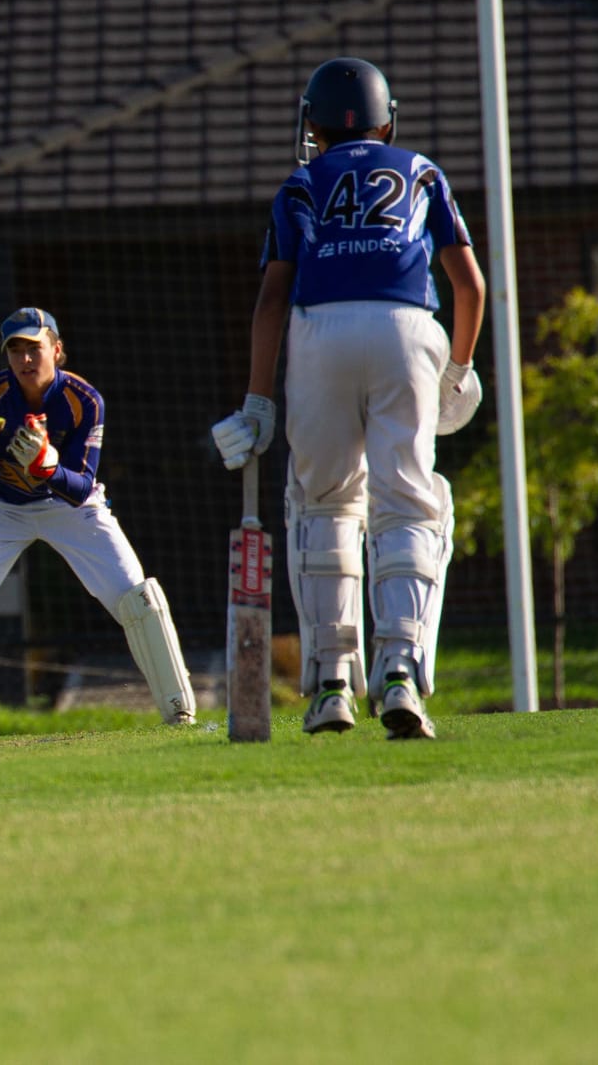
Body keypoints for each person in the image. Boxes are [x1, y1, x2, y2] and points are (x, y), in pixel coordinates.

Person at [212, 56, 485, 741]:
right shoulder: (422, 170)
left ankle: (332, 682)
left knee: (326, 500)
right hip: (406, 327)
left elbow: (271, 297)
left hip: (320, 330)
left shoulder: (300, 183)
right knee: (409, 500)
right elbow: (471, 287)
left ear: (314, 123)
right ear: (387, 119)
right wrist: (456, 369)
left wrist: (258, 401)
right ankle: (400, 669)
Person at [0, 307, 195, 741]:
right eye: (16, 351)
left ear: (57, 350)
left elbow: (82, 487)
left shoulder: (85, 400)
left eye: (35, 349)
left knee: (135, 596)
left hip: (71, 509)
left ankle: (179, 713)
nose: (26, 360)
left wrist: (48, 468)